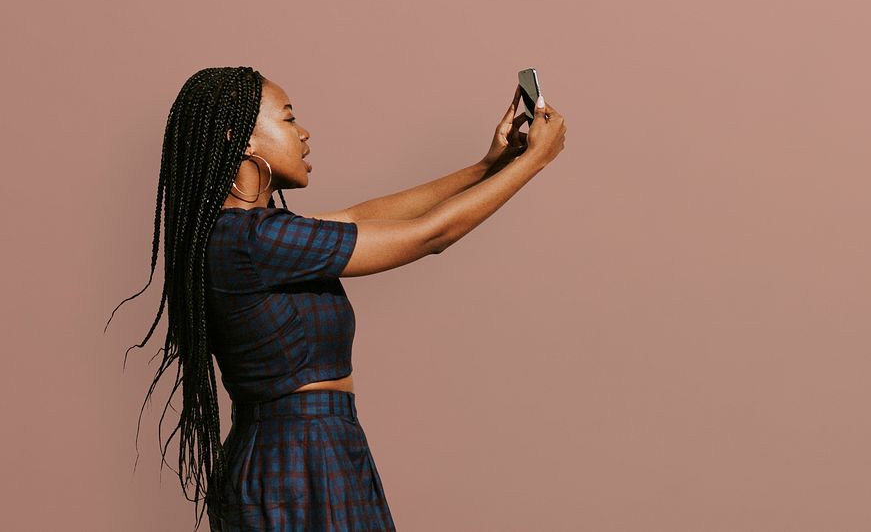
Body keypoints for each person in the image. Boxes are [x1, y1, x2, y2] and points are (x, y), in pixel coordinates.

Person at [106, 66, 566, 531]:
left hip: (309, 450)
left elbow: (361, 216)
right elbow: (431, 236)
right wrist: (533, 163)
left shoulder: (247, 236)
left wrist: (487, 167)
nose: (303, 134)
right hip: (301, 461)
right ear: (240, 138)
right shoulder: (252, 240)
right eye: (287, 120)